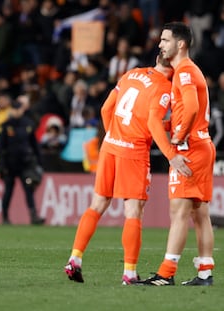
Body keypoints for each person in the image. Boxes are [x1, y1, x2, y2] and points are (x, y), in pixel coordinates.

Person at [64, 54, 190, 285]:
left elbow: (105, 109)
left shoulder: (131, 74)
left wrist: (116, 135)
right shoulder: (164, 87)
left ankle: (75, 259)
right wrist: (171, 155)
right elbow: (151, 123)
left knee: (97, 204)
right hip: (133, 152)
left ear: (156, 59)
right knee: (133, 211)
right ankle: (129, 273)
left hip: (110, 146)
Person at [139, 22, 216, 286]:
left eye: (165, 40)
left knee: (180, 211)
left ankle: (166, 273)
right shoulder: (190, 70)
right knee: (199, 213)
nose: (160, 44)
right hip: (203, 144)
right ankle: (205, 273)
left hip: (191, 148)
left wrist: (179, 135)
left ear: (180, 44)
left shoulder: (184, 71)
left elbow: (192, 107)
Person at [0, 99, 45, 225]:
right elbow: (0, 148)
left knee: (29, 190)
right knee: (8, 191)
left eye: (18, 109)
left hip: (25, 163)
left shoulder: (28, 124)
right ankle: (5, 217)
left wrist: (40, 163)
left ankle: (34, 216)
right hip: (10, 164)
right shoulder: (5, 126)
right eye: (14, 109)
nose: (16, 111)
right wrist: (2, 166)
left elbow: (35, 145)